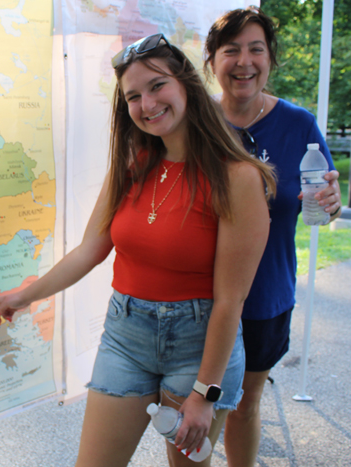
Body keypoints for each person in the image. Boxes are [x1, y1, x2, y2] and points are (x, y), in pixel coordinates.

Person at [0, 34, 276, 467]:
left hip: (200, 346)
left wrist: (204, 393)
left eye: (157, 86)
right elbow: (89, 250)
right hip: (126, 335)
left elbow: (231, 302)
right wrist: (23, 296)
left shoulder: (238, 178)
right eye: (133, 96)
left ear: (187, 86)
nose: (147, 104)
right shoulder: (133, 164)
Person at [204, 7, 342, 467]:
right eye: (231, 50)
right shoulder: (196, 123)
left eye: (256, 49)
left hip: (265, 297)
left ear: (271, 59)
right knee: (199, 408)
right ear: (212, 61)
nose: (244, 61)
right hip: (199, 297)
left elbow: (320, 191)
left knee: (244, 404)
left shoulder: (298, 124)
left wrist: (331, 197)